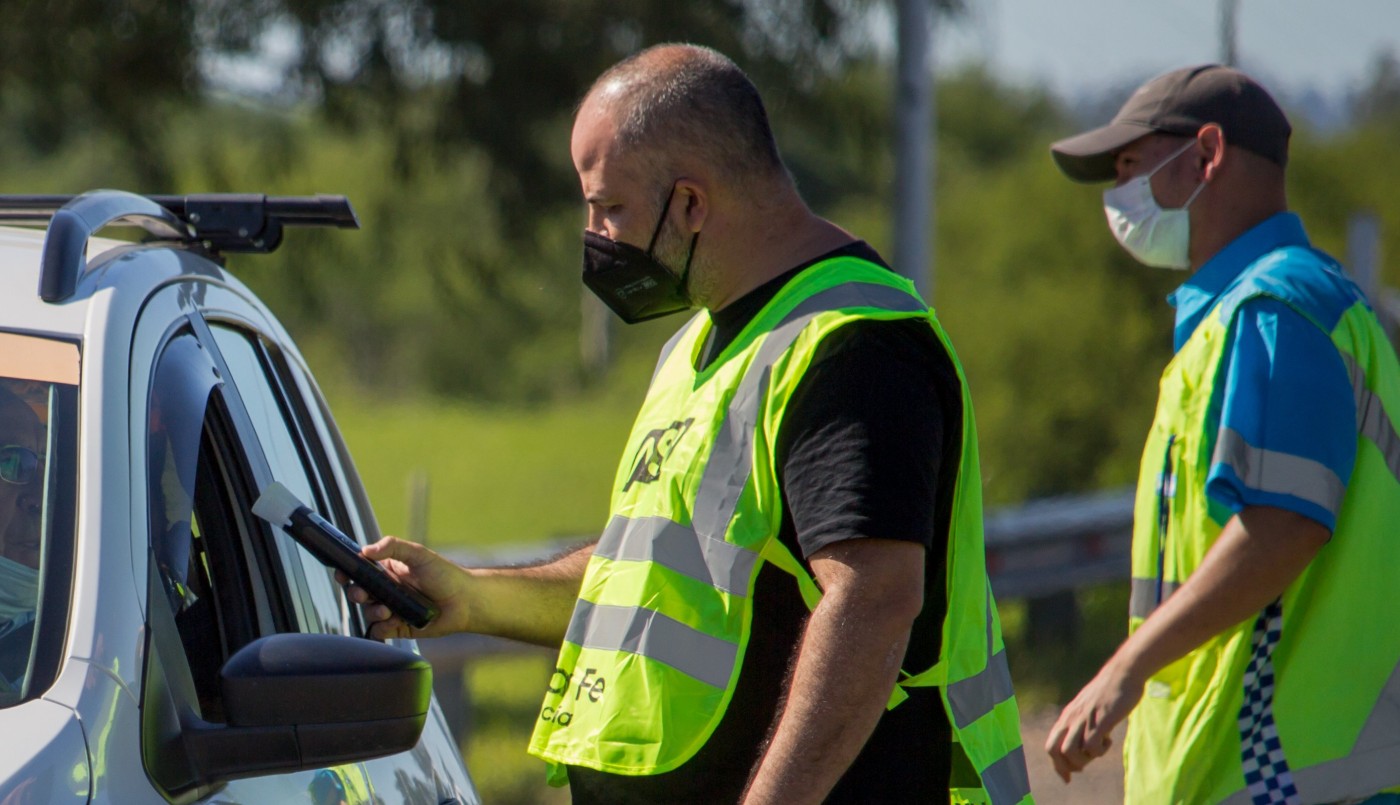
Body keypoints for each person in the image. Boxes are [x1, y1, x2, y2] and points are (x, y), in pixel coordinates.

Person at [344, 43, 1031, 804]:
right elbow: (652, 575)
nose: (595, 234)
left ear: (692, 204)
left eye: (610, 207)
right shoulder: (698, 344)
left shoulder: (853, 345)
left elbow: (872, 602)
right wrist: (473, 596)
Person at [1045, 64, 1400, 804]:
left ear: (1207, 154)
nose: (1119, 194)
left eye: (1130, 165)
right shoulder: (1272, 308)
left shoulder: (1276, 308)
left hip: (1288, 771)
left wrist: (1127, 666)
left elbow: (1283, 525)